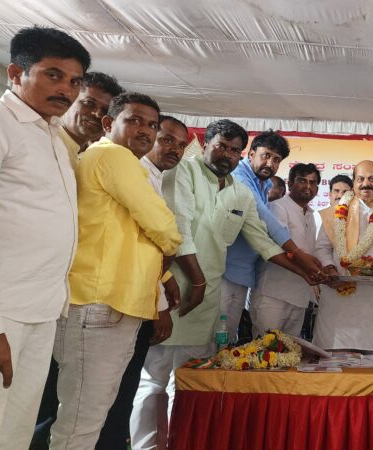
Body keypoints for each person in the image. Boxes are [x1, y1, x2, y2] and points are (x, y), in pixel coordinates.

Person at [129, 120, 315, 448]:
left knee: (193, 381)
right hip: (172, 290)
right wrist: (197, 281)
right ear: (206, 144)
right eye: (221, 146)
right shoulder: (183, 172)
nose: (227, 154)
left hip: (208, 297)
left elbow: (263, 241)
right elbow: (179, 229)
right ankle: (146, 446)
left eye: (234, 150)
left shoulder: (240, 192)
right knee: (153, 379)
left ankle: (183, 443)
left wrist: (306, 273)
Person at [51, 93, 183, 450]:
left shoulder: (118, 161)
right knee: (81, 422)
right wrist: (169, 241)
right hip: (100, 302)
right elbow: (163, 226)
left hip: (113, 304)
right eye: (134, 120)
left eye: (152, 125)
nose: (145, 130)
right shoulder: (113, 155)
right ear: (109, 123)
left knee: (90, 417)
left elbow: (146, 230)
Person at [0, 26, 89, 450]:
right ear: (16, 73)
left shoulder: (49, 134)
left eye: (74, 81)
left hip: (42, 309)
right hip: (5, 312)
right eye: (54, 75)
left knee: (15, 430)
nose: (66, 90)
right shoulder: (1, 124)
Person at [32, 71, 125, 450]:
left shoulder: (85, 155)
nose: (95, 114)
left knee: (52, 404)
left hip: (60, 297)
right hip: (25, 296)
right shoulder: (44, 145)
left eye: (104, 110)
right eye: (88, 103)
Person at [94, 115, 189, 450]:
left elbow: (147, 245)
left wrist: (165, 277)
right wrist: (159, 306)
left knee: (121, 391)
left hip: (136, 297)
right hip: (117, 299)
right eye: (167, 139)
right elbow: (163, 236)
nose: (174, 149)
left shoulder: (153, 176)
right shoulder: (133, 171)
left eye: (181, 145)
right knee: (107, 397)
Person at [313, 160, 373, 381]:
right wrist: (329, 267)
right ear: (353, 182)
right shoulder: (334, 213)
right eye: (361, 179)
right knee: (336, 367)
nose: (366, 184)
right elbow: (322, 248)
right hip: (339, 301)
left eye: (371, 179)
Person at [222, 131, 322, 343]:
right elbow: (264, 221)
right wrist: (299, 256)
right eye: (266, 155)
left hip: (242, 274)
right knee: (214, 340)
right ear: (251, 153)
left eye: (276, 159)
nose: (270, 163)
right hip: (223, 272)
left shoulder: (264, 185)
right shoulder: (239, 177)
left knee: (226, 339)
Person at [252, 163, 321, 336]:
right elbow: (278, 248)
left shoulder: (312, 215)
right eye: (302, 181)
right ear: (290, 184)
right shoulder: (277, 207)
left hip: (299, 296)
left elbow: (309, 253)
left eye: (312, 182)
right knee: (264, 348)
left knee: (291, 350)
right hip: (273, 294)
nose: (307, 186)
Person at [59, 72, 124, 165]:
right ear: (68, 101)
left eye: (105, 111)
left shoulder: (98, 158)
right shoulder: (46, 142)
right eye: (89, 103)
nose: (98, 114)